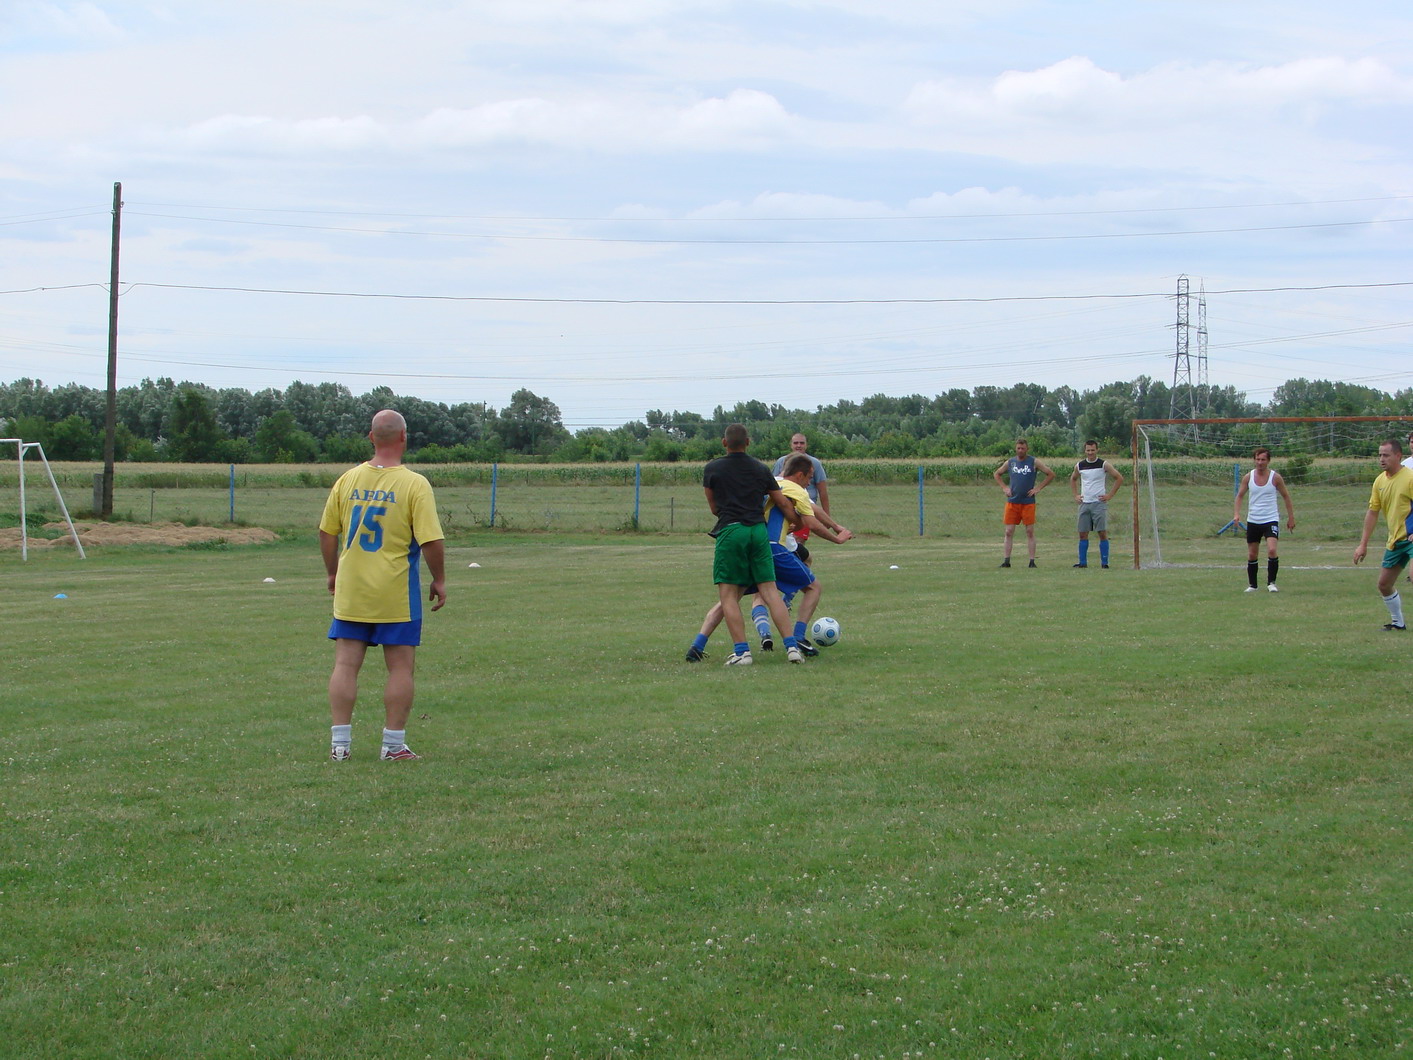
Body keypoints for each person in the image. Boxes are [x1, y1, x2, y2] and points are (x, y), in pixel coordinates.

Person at [318, 409, 447, 761]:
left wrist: (332, 572)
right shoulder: (414, 484)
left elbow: (327, 533)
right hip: (395, 593)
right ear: (404, 437)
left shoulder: (347, 480)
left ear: (371, 437)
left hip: (352, 589)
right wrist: (439, 579)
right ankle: (392, 746)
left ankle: (340, 746)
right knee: (401, 667)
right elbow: (431, 540)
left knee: (345, 665)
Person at [687, 454, 853, 662]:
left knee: (730, 598)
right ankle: (797, 638)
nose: (810, 483)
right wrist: (837, 537)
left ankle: (698, 645)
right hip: (771, 548)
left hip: (749, 542)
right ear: (799, 475)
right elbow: (811, 520)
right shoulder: (797, 490)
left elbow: (810, 508)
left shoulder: (774, 483)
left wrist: (833, 525)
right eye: (809, 478)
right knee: (810, 588)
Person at [703, 423, 804, 666]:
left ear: (724, 443)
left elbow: (714, 507)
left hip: (731, 530)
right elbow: (781, 501)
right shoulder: (760, 468)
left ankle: (742, 652)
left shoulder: (712, 469)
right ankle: (792, 648)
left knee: (729, 594)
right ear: (748, 442)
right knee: (769, 590)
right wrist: (796, 521)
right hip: (758, 531)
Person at [1353, 438, 1413, 630]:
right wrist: (1363, 544)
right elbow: (1372, 512)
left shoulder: (1410, 478)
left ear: (1398, 456)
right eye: (1380, 455)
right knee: (1384, 584)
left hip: (1411, 538)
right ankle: (1398, 623)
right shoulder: (1379, 481)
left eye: (1386, 455)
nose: (1381, 459)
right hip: (1396, 540)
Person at [1233, 446, 1296, 593]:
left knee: (1272, 550)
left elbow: (1286, 496)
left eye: (1263, 459)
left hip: (1270, 519)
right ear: (1254, 460)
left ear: (1268, 461)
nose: (1260, 462)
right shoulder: (1248, 477)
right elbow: (1240, 496)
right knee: (1252, 554)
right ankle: (1253, 585)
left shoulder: (1275, 477)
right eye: (1257, 459)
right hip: (1253, 519)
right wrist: (1236, 514)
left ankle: (1271, 583)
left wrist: (1291, 518)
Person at [994, 438, 1055, 568]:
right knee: (1009, 531)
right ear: (1015, 449)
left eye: (1023, 448)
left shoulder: (1033, 462)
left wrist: (1038, 488)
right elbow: (997, 474)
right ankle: (1006, 560)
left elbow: (1050, 474)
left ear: (1027, 449)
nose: (1020, 450)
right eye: (1018, 448)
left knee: (1029, 531)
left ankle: (1032, 561)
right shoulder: (1011, 462)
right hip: (1013, 501)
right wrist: (1004, 487)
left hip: (1028, 501)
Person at [1069, 439, 1124, 569]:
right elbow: (1073, 478)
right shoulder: (1080, 465)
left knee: (1102, 532)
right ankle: (1082, 562)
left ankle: (1104, 562)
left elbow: (1119, 478)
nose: (1090, 453)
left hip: (1098, 503)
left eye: (1092, 450)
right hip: (1084, 503)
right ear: (1085, 450)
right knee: (1083, 533)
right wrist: (1076, 495)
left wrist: (1110, 495)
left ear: (1097, 450)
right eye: (1088, 450)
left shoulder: (1103, 464)